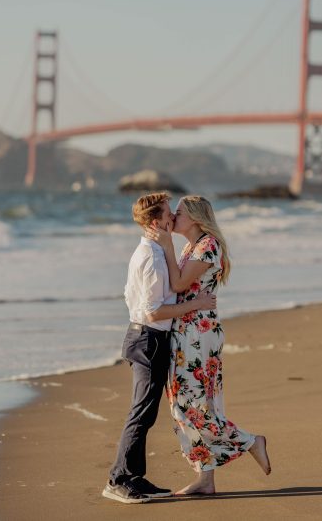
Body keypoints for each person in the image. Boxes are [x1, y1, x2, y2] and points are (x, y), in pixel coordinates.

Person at [145, 195, 271, 495]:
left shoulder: (207, 246)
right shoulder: (192, 246)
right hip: (186, 330)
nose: (173, 216)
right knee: (187, 403)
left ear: (197, 219)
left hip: (197, 335)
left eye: (180, 212)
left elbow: (178, 285)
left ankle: (251, 441)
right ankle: (206, 478)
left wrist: (165, 245)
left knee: (192, 406)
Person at [102, 192, 217, 505]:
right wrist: (198, 303)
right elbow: (154, 311)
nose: (173, 218)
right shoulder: (153, 258)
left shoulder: (152, 250)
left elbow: (131, 296)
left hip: (147, 337)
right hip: (149, 338)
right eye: (169, 214)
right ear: (157, 222)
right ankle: (119, 480)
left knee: (146, 413)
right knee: (141, 413)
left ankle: (134, 477)